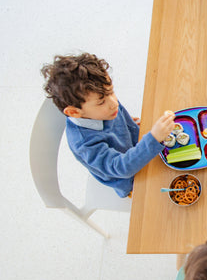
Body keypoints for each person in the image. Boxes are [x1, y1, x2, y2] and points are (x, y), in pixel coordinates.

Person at [41, 53, 175, 197]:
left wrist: (128, 120)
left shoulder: (105, 107)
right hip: (131, 180)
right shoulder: (84, 145)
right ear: (74, 112)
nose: (114, 103)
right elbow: (122, 168)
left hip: (140, 149)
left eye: (111, 91)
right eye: (101, 102)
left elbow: (114, 110)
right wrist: (153, 138)